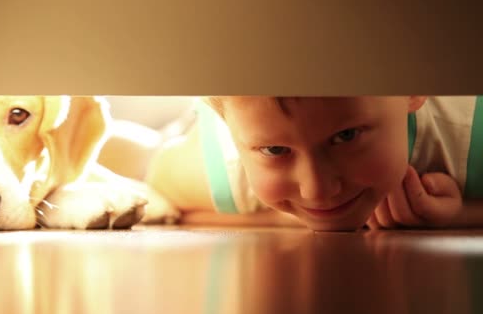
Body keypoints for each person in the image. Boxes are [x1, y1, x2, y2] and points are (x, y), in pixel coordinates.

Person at [144, 96, 483, 231]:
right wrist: (284, 217)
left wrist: (461, 217)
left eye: (347, 136)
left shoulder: (471, 132)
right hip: (184, 132)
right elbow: (160, 187)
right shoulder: (229, 163)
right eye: (276, 150)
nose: (317, 189)